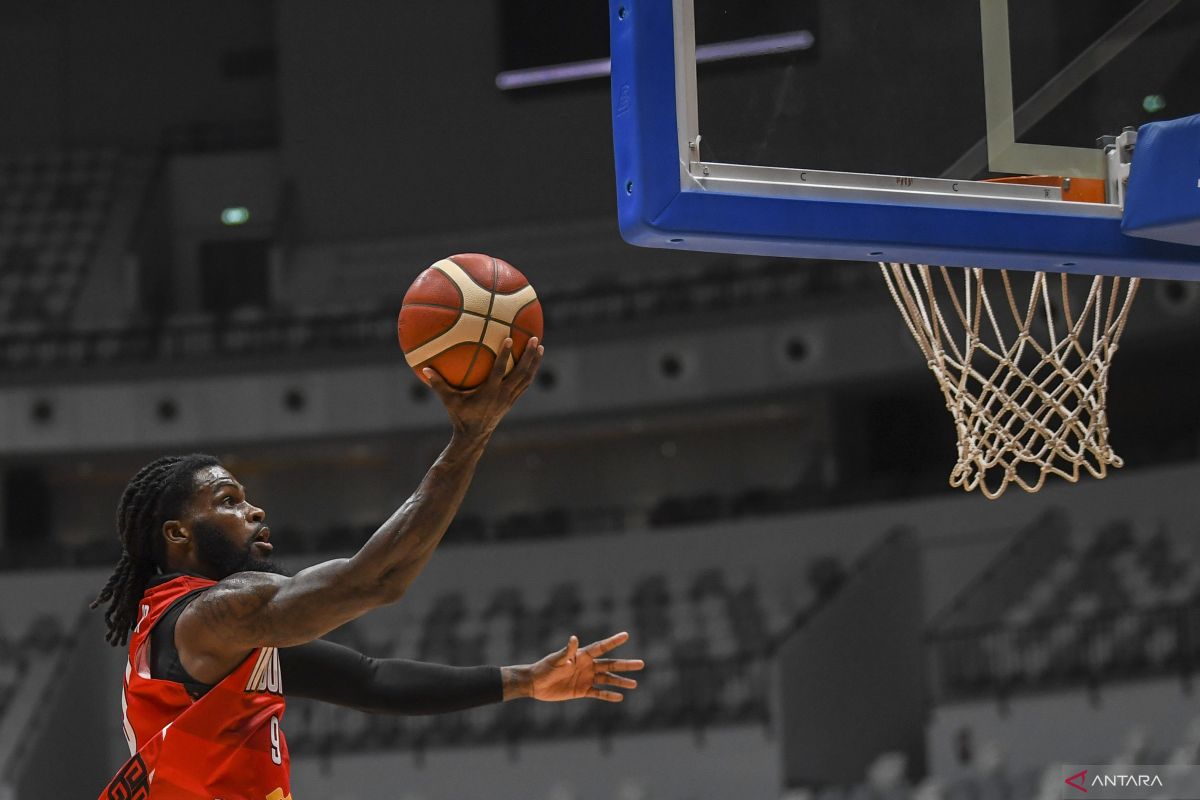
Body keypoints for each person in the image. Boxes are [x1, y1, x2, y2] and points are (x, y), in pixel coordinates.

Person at [90, 338, 644, 800]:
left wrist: (526, 681)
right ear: (177, 534)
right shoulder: (206, 619)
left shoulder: (221, 641)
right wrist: (469, 440)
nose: (254, 510)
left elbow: (371, 679)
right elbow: (376, 579)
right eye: (228, 500)